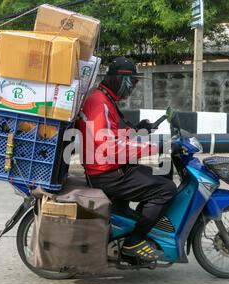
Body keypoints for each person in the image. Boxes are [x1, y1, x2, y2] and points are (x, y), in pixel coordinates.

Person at [76, 57, 177, 262]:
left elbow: (113, 133)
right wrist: (153, 147)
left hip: (109, 168)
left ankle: (139, 225)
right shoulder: (99, 103)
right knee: (166, 189)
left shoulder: (105, 99)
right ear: (120, 80)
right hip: (108, 173)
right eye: (133, 82)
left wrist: (138, 131)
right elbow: (109, 146)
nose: (134, 87)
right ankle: (134, 241)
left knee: (160, 176)